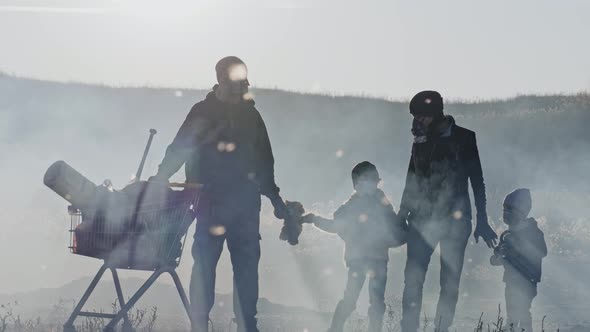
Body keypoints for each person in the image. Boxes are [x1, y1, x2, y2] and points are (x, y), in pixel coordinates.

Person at [149, 56, 290, 332]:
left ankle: (248, 327)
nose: (242, 87)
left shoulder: (252, 116)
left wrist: (274, 198)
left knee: (246, 274)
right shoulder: (202, 112)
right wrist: (161, 176)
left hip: (246, 208)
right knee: (203, 271)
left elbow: (264, 162)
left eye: (244, 82)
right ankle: (199, 326)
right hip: (209, 204)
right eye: (237, 82)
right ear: (221, 81)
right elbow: (180, 148)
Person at [398, 91, 498, 332]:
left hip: (456, 220)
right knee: (412, 279)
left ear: (435, 113)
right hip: (422, 220)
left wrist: (482, 221)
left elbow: (477, 181)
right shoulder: (419, 139)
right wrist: (402, 213)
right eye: (415, 115)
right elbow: (412, 177)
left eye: (421, 115)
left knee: (449, 282)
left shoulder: (464, 138)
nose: (417, 120)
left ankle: (441, 329)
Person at [303, 161, 406, 332]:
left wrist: (406, 229)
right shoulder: (350, 206)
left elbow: (396, 230)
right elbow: (336, 226)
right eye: (366, 179)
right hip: (358, 260)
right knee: (352, 300)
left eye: (373, 179)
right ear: (356, 184)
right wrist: (314, 219)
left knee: (376, 302)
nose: (370, 183)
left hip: (377, 260)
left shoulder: (382, 204)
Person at [490, 188, 547, 332]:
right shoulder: (508, 234)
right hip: (510, 281)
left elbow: (542, 252)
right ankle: (511, 328)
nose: (506, 214)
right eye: (505, 210)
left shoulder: (534, 233)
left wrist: (517, 251)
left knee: (522, 313)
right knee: (512, 314)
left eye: (509, 210)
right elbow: (496, 259)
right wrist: (499, 256)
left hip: (527, 282)